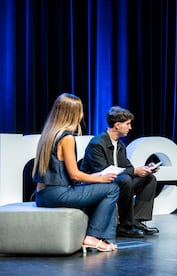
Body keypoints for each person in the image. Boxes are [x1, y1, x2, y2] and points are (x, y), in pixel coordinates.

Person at [32, 93, 120, 254]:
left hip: (41, 195)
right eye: (80, 111)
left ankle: (101, 236)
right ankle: (93, 237)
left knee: (99, 187)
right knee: (112, 188)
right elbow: (74, 175)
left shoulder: (48, 134)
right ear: (73, 113)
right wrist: (102, 179)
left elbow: (64, 173)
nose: (82, 115)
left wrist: (94, 178)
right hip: (58, 194)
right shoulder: (67, 138)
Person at [81, 106, 160, 238]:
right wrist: (133, 171)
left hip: (118, 183)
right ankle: (124, 226)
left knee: (149, 178)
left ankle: (136, 221)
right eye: (128, 124)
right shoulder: (97, 143)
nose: (130, 128)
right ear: (117, 125)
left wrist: (146, 169)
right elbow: (102, 172)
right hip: (97, 185)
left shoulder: (120, 145)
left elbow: (127, 167)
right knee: (125, 180)